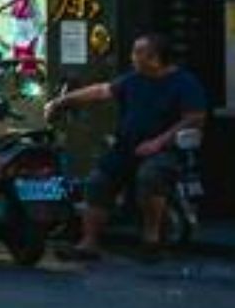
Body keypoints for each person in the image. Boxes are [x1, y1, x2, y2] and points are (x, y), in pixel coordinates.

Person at [48, 33, 209, 260]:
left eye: (137, 52)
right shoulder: (133, 79)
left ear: (153, 57)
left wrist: (158, 142)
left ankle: (151, 239)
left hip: (165, 149)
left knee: (150, 175)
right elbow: (101, 91)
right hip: (127, 147)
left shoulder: (184, 83)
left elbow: (194, 119)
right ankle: (89, 242)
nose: (132, 57)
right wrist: (61, 101)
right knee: (98, 180)